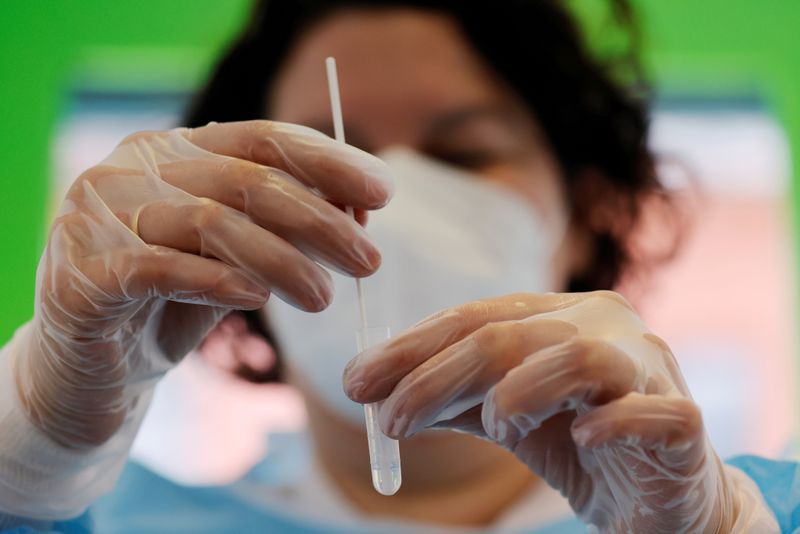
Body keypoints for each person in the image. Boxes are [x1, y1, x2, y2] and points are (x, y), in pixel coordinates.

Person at [0, 0, 797, 532]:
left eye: (464, 153)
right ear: (217, 221)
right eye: (322, 164)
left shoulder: (750, 511)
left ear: (586, 213)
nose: (390, 201)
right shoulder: (112, 517)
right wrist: (31, 456)